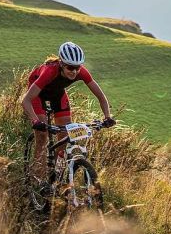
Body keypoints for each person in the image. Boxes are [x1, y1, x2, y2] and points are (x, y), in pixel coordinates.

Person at [21, 41, 115, 176]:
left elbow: (101, 96)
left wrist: (107, 117)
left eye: (77, 67)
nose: (74, 71)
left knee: (64, 136)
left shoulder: (82, 72)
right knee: (42, 135)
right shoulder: (49, 71)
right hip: (37, 95)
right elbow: (26, 101)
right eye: (70, 68)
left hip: (57, 94)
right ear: (61, 64)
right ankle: (37, 178)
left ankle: (56, 174)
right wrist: (35, 121)